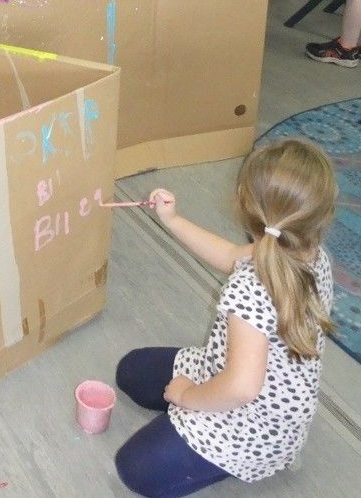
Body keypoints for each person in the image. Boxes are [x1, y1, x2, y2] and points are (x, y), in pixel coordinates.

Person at [114, 138, 337, 498]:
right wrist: (172, 220)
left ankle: (246, 459)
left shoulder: (251, 288)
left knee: (134, 469)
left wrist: (187, 395)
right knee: (132, 371)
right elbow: (233, 254)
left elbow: (241, 388)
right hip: (235, 377)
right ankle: (188, 424)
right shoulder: (304, 249)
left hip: (252, 422)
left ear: (246, 207)